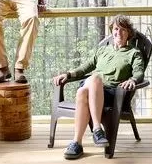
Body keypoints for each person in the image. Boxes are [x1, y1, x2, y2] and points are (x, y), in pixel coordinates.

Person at [52, 15, 145, 160]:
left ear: (129, 34)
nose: (118, 33)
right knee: (92, 80)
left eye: (123, 30)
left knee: (82, 91)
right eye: (116, 29)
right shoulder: (102, 50)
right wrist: (68, 74)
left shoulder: (134, 53)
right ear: (111, 31)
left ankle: (77, 143)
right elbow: (85, 67)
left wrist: (133, 79)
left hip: (111, 93)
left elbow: (139, 71)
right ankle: (97, 130)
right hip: (94, 87)